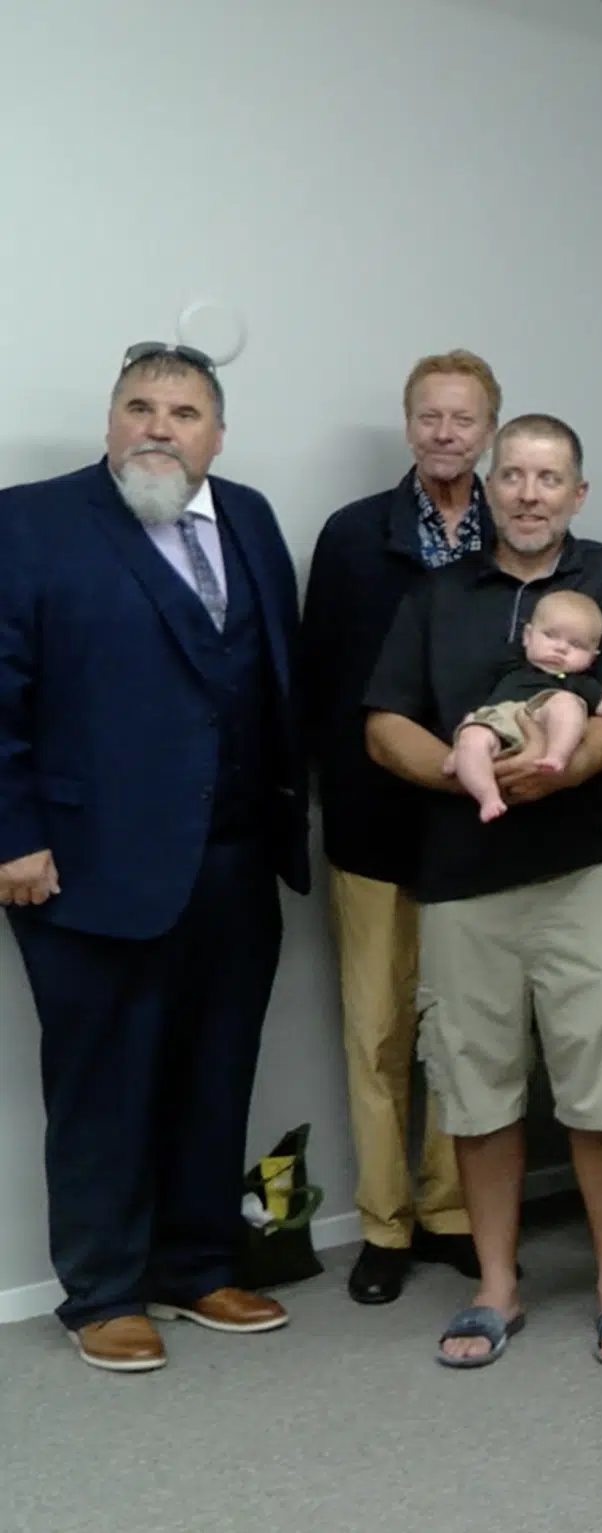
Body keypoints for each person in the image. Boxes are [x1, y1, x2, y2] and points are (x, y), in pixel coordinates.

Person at [0, 342, 310, 1371]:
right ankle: (103, 1291)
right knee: (103, 1083)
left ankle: (194, 1263)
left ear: (215, 435)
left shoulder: (253, 520)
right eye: (138, 406)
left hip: (232, 857)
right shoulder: (31, 521)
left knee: (215, 1070)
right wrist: (14, 834)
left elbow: (273, 680)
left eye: (183, 411)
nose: (157, 427)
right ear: (108, 421)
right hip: (84, 862)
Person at [363, 414, 602, 1370]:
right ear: (489, 488)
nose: (530, 492)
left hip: (589, 872)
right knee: (477, 1087)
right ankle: (497, 1284)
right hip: (465, 881)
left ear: (578, 493)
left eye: (551, 478)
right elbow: (385, 726)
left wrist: (558, 770)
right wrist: (467, 777)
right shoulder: (437, 594)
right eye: (515, 476)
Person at [298, 349, 500, 1305]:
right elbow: (320, 678)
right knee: (376, 1032)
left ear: (488, 431)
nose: (446, 432)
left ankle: (453, 1208)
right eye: (430, 416)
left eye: (464, 418)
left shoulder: (519, 538)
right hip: (374, 820)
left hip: (483, 827)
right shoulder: (350, 538)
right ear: (410, 424)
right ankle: (384, 1222)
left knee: (461, 1033)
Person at [443, 589, 602, 820]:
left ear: (592, 658)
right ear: (527, 636)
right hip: (502, 721)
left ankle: (557, 756)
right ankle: (487, 795)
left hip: (545, 718)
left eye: (576, 644)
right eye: (550, 635)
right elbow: (481, 701)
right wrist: (470, 728)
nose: (560, 647)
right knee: (473, 736)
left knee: (566, 703)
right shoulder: (509, 667)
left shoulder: (579, 684)